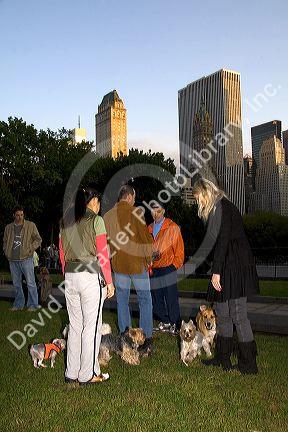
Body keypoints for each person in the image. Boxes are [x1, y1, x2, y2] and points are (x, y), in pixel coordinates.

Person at [192, 178, 259, 374]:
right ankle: (223, 359)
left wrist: (216, 272)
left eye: (199, 198)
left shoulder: (222, 207)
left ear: (206, 192)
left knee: (239, 316)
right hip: (225, 266)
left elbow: (222, 241)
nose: (199, 203)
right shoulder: (215, 210)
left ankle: (248, 364)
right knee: (222, 313)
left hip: (236, 267)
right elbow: (212, 243)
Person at [59, 186, 114, 385]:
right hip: (90, 275)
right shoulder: (96, 220)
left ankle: (71, 372)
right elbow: (103, 254)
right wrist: (109, 281)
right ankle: (88, 374)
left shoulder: (66, 220)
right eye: (98, 201)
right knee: (91, 327)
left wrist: (68, 273)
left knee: (75, 325)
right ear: (92, 201)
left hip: (71, 276)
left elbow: (62, 253)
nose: (99, 206)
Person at [103, 184, 154, 353]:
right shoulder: (136, 212)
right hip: (137, 264)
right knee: (145, 300)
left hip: (118, 265)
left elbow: (105, 244)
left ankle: (125, 338)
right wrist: (148, 260)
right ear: (130, 197)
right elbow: (145, 239)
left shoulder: (108, 216)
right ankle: (145, 339)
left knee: (122, 301)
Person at [148, 202, 184, 335]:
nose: (155, 213)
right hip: (154, 268)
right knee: (156, 298)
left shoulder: (172, 227)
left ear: (163, 211)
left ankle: (175, 324)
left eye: (157, 210)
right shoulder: (149, 228)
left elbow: (179, 251)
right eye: (152, 210)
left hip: (168, 267)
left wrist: (174, 266)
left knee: (171, 297)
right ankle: (164, 321)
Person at [3, 206, 42, 311]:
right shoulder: (8, 227)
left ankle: (33, 305)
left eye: (21, 215)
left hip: (26, 259)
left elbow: (38, 239)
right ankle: (18, 304)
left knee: (31, 283)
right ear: (13, 215)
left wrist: (30, 249)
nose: (20, 217)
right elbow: (5, 242)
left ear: (23, 215)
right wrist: (6, 252)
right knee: (16, 284)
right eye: (17, 215)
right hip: (13, 260)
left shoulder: (30, 225)